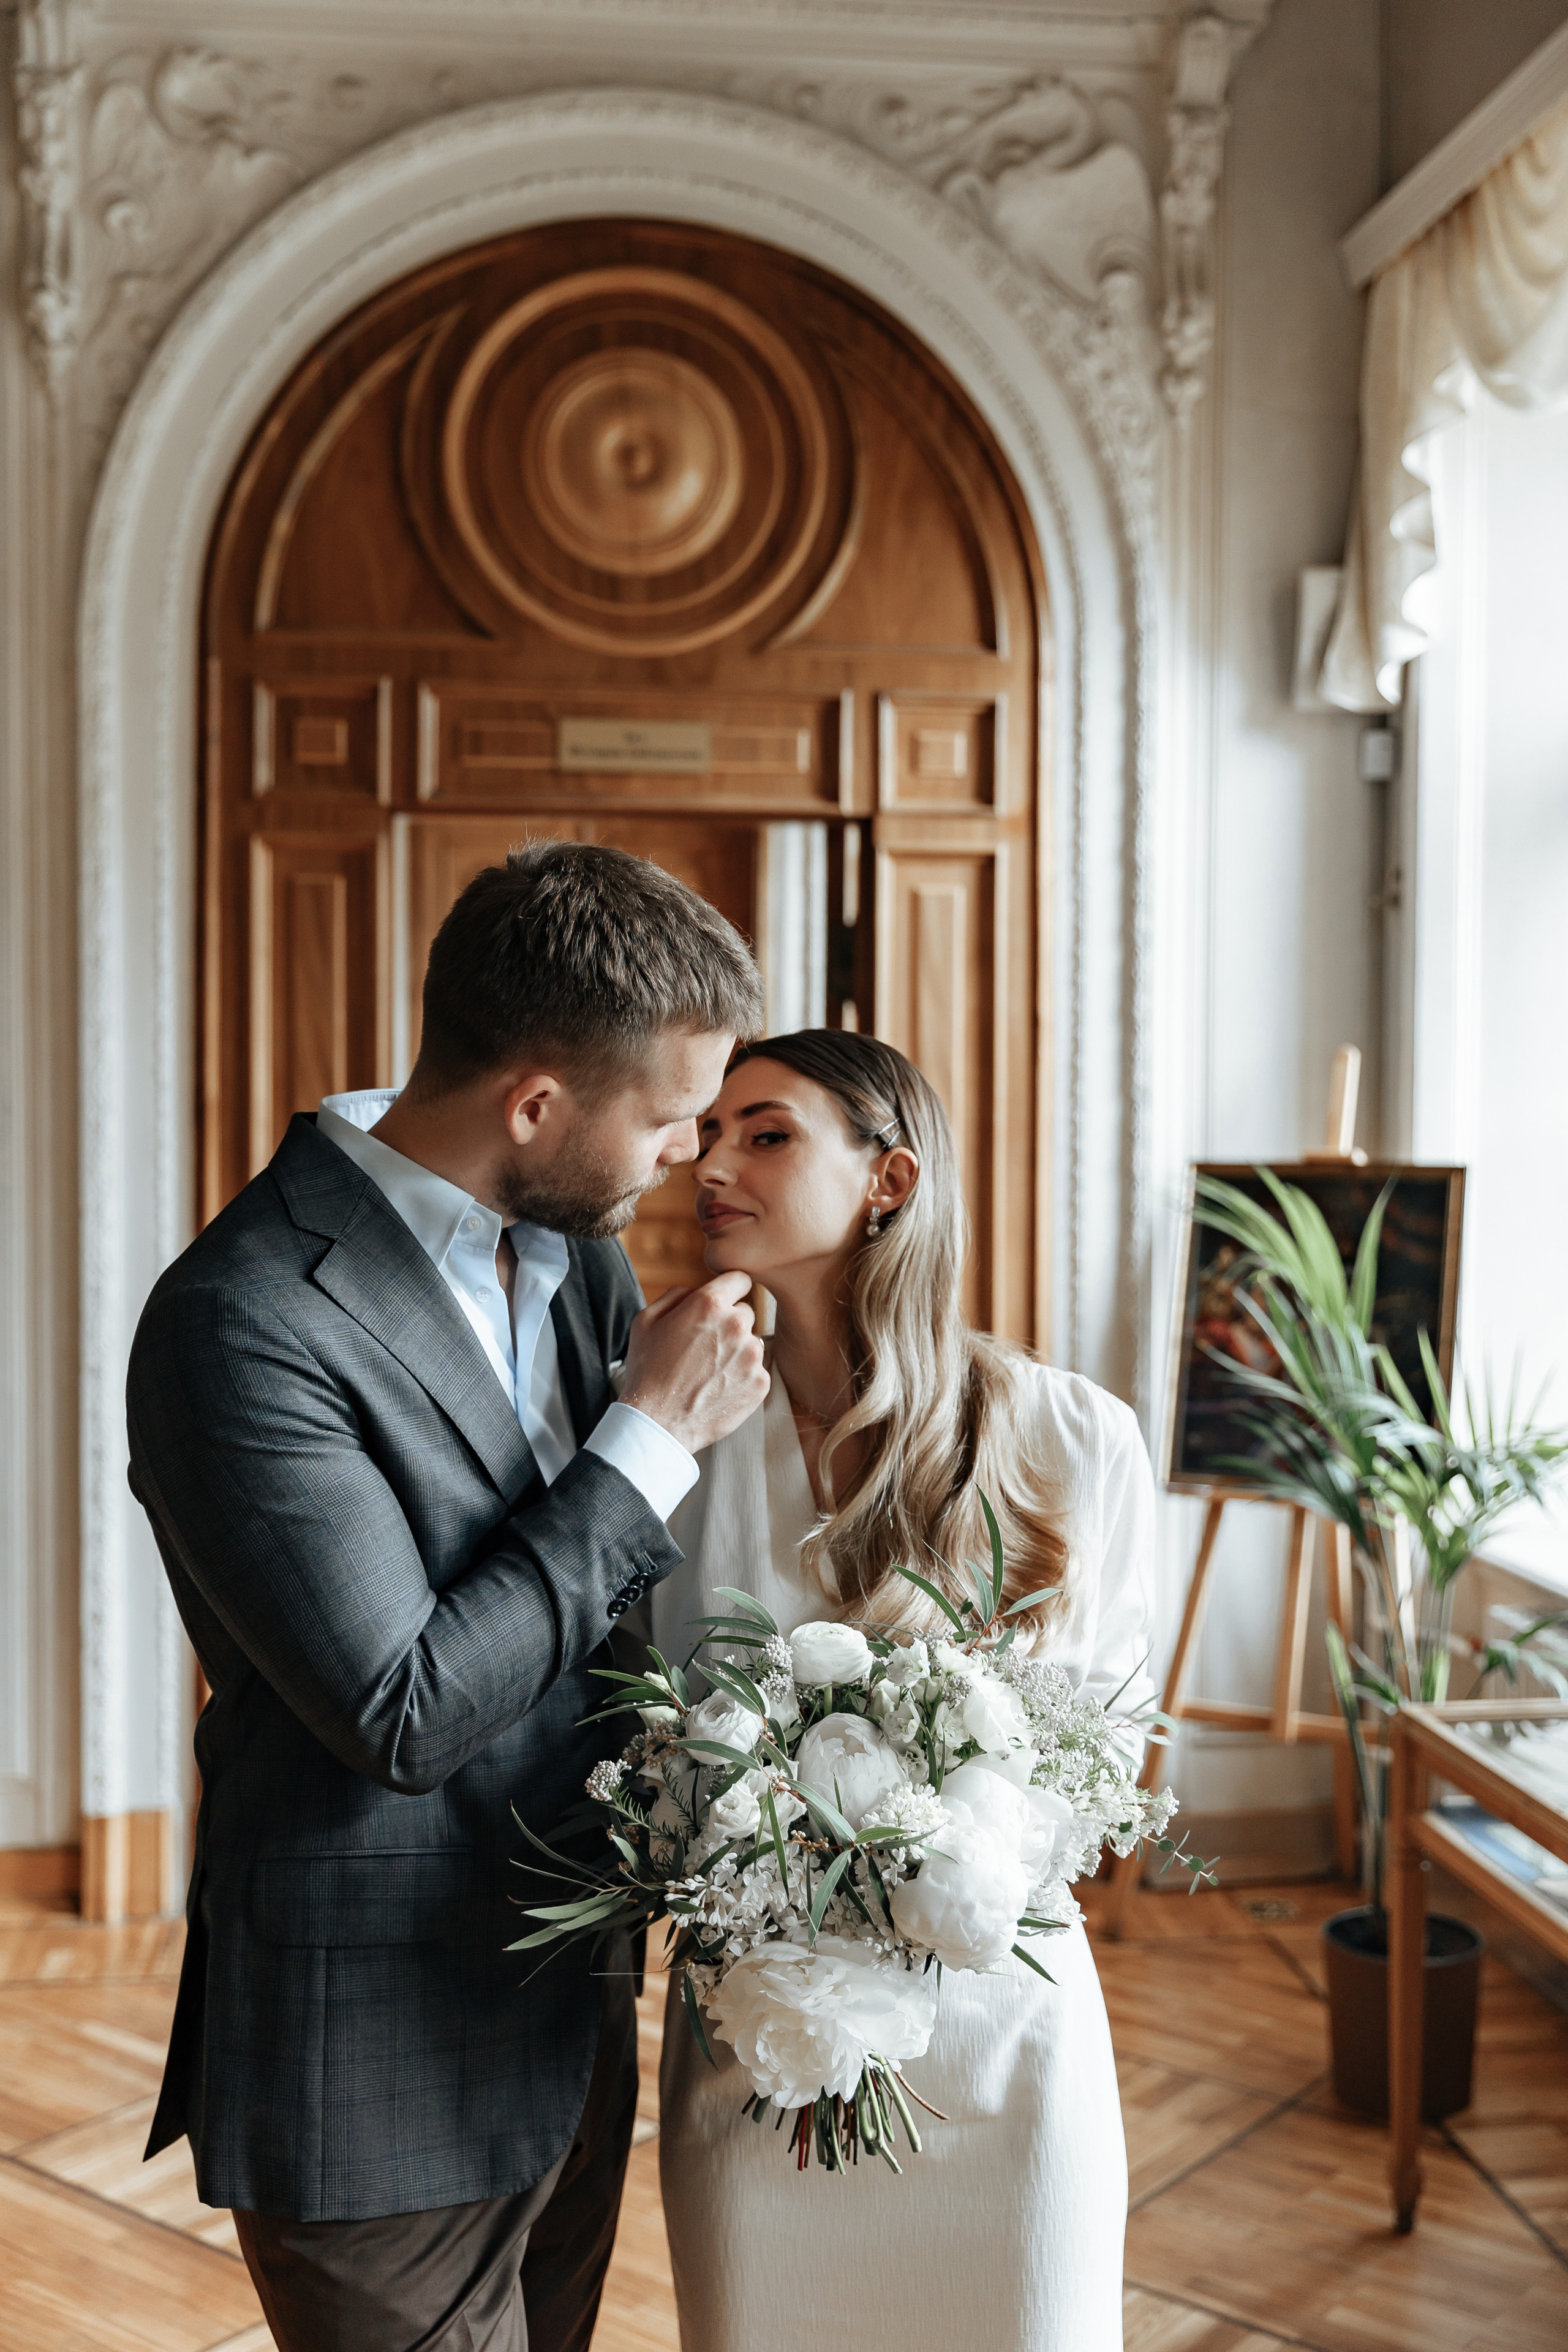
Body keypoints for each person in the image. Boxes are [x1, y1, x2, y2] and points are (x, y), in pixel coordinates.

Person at [126, 842, 769, 2352]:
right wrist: (649, 1441)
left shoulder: (577, 1250)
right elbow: (398, 1709)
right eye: (669, 1116)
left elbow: (599, 1630)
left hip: (570, 2003)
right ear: (535, 1104)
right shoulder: (245, 1319)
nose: (687, 1153)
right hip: (376, 2061)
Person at [654, 1030, 1155, 2352]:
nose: (712, 1164)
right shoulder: (676, 1443)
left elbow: (1103, 1761)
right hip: (760, 2058)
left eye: (763, 1134)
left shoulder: (1071, 1437)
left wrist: (932, 1861)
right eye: (706, 1134)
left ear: (888, 1179)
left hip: (1003, 2053)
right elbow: (637, 1726)